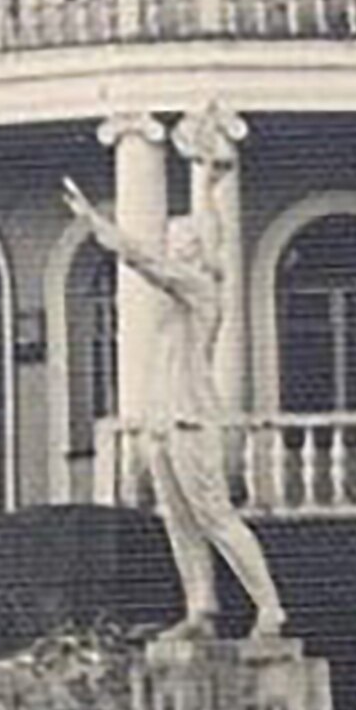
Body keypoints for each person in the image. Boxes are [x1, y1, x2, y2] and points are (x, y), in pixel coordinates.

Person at [60, 173, 286, 643]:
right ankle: (201, 608)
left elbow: (149, 264)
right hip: (163, 419)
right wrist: (208, 187)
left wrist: (97, 223)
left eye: (182, 242)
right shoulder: (176, 296)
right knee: (178, 520)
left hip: (191, 419)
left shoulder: (201, 290)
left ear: (199, 252)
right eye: (172, 240)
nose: (173, 247)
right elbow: (158, 263)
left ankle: (270, 607)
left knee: (215, 517)